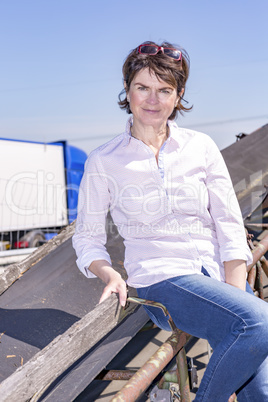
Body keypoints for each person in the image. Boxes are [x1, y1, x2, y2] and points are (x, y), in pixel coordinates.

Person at [72, 41, 268, 401]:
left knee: (261, 385)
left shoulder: (201, 147)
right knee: (260, 322)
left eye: (165, 90)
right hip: (163, 282)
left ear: (178, 97)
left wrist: (234, 291)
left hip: (218, 275)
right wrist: (109, 273)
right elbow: (86, 238)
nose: (152, 99)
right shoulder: (104, 161)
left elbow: (227, 222)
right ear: (127, 91)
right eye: (142, 87)